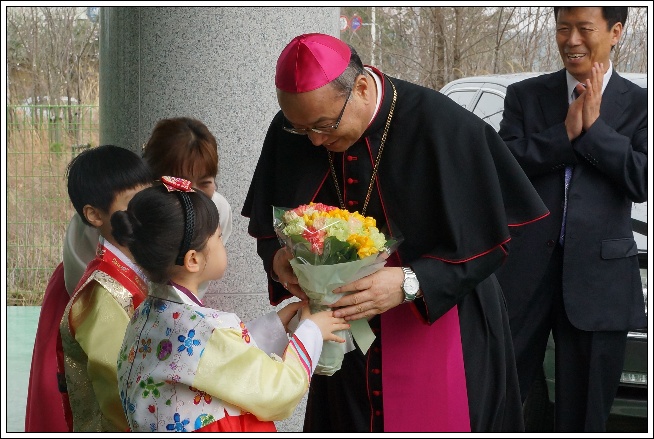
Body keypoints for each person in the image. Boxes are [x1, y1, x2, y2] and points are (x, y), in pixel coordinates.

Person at [242, 33, 549, 432]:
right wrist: (280, 260)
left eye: (324, 125)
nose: (315, 140)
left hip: (440, 324)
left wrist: (410, 281)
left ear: (362, 87)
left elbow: (487, 243)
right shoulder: (296, 128)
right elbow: (269, 227)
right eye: (302, 130)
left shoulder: (441, 124)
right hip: (345, 342)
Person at [25, 116, 233, 431]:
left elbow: (189, 285)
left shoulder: (214, 210)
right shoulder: (99, 274)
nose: (190, 194)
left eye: (204, 183)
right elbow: (96, 295)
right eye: (177, 182)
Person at [494, 7, 647, 432]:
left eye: (584, 29)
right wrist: (563, 135)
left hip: (600, 280)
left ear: (615, 32)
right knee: (498, 399)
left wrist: (595, 130)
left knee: (585, 415)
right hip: (523, 274)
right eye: (564, 29)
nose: (572, 40)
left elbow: (642, 179)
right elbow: (504, 166)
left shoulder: (640, 105)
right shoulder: (526, 96)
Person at [112, 177, 350, 432]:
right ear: (193, 260)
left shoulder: (145, 315)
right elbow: (275, 393)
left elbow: (212, 363)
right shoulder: (207, 331)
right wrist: (311, 332)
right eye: (218, 237)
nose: (223, 242)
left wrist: (275, 326)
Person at [57, 145, 153, 431]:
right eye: (133, 201)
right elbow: (118, 384)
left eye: (148, 197)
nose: (148, 210)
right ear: (94, 215)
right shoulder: (101, 293)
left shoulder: (139, 268)